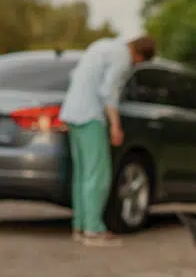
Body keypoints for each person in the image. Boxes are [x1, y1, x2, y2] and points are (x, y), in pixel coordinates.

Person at [59, 36, 156, 247]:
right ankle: (93, 230)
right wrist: (115, 125)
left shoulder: (101, 45)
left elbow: (75, 75)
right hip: (91, 116)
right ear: (139, 56)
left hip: (72, 113)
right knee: (98, 175)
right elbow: (108, 92)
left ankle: (80, 226)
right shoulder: (122, 57)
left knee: (82, 175)